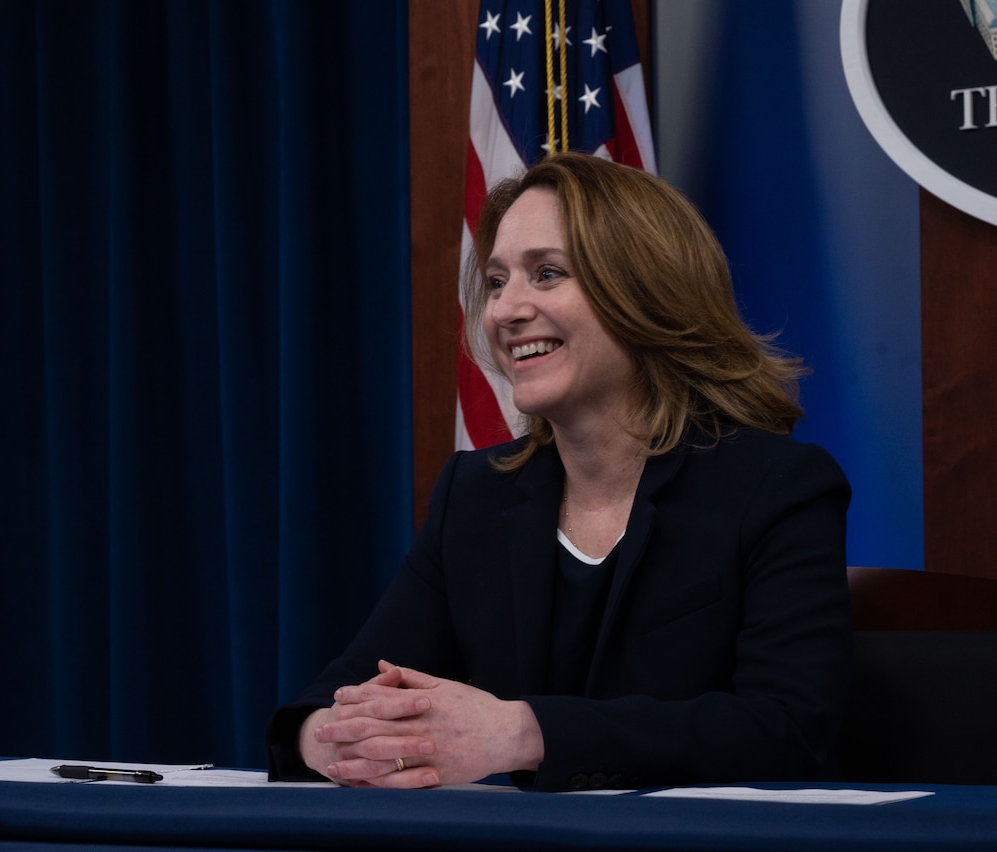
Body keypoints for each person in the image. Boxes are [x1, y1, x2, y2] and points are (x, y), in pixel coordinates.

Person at [266, 151, 852, 792]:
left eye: (546, 274)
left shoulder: (778, 488)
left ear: (647, 291)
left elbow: (788, 731)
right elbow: (332, 700)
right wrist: (338, 741)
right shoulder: (474, 495)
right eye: (495, 281)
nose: (505, 311)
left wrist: (520, 732)